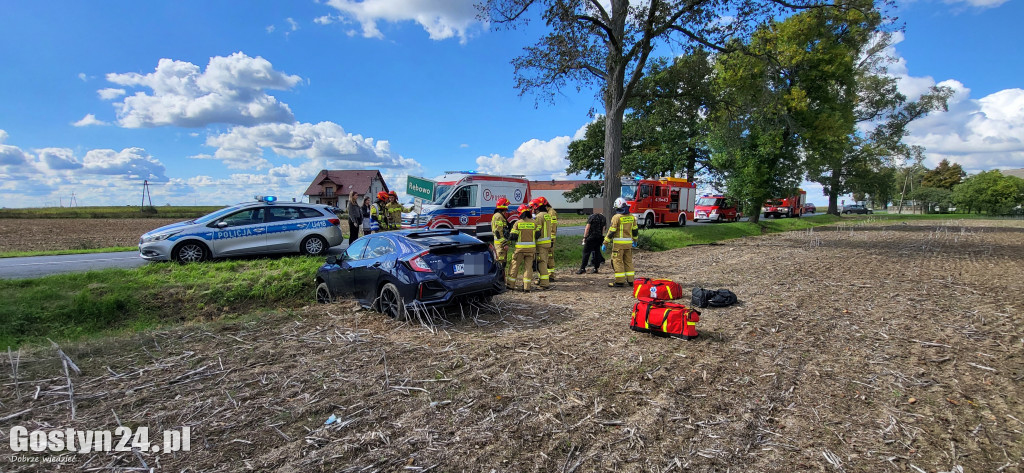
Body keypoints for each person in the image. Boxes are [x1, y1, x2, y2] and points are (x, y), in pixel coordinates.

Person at [604, 197, 638, 287]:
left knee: (617, 262)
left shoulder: (616, 217)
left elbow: (612, 231)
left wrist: (605, 243)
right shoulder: (631, 217)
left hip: (618, 245)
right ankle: (631, 281)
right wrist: (635, 240)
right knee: (628, 261)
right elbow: (635, 230)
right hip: (629, 244)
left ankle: (619, 281)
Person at [508, 204, 541, 292]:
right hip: (531, 250)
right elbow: (538, 235)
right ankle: (527, 287)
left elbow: (513, 236)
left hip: (519, 250)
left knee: (514, 266)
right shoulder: (534, 223)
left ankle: (510, 285)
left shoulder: (517, 223)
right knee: (528, 268)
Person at [531, 197, 552, 289]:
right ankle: (542, 280)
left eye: (533, 207)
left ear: (536, 207)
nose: (533, 210)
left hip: (541, 244)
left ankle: (544, 284)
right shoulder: (547, 215)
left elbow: (537, 231)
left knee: (541, 263)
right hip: (547, 243)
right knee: (545, 261)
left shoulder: (539, 217)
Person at [491, 197, 511, 277]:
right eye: (506, 206)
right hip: (500, 245)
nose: (507, 208)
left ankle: (502, 279)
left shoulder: (500, 215)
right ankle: (499, 280)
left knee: (503, 263)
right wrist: (504, 244)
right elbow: (498, 232)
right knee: (500, 263)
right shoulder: (498, 216)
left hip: (501, 244)